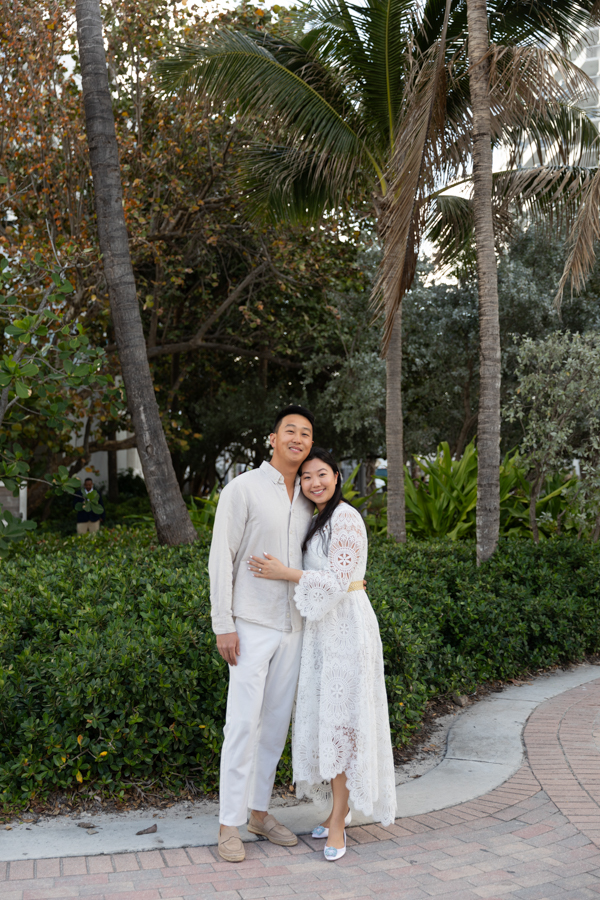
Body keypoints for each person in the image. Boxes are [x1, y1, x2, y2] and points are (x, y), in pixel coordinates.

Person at [248, 447, 397, 862]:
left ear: (337, 476)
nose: (314, 482)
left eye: (322, 474)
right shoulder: (320, 518)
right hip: (325, 631)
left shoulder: (345, 517)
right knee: (333, 722)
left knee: (344, 724)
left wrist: (285, 573)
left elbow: (336, 580)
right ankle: (339, 810)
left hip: (347, 627)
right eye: (307, 477)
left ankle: (337, 824)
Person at [208, 405, 315, 862]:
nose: (298, 438)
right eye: (289, 430)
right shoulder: (243, 489)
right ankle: (228, 824)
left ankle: (258, 811)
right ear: (271, 438)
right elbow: (221, 558)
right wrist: (223, 625)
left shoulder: (313, 496)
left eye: (306, 433)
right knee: (242, 725)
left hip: (295, 626)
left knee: (274, 727)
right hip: (250, 624)